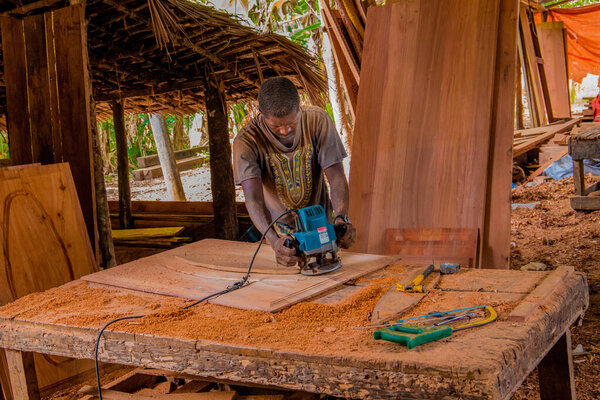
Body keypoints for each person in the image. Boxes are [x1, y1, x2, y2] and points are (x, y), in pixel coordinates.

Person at [233, 77, 356, 267]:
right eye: (276, 126)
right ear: (261, 114)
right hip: (282, 233)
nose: (285, 130)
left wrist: (341, 218)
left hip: (323, 221)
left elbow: (337, 177)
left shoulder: (317, 120)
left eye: (292, 122)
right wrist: (274, 242)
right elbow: (253, 200)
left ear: (300, 106)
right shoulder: (247, 141)